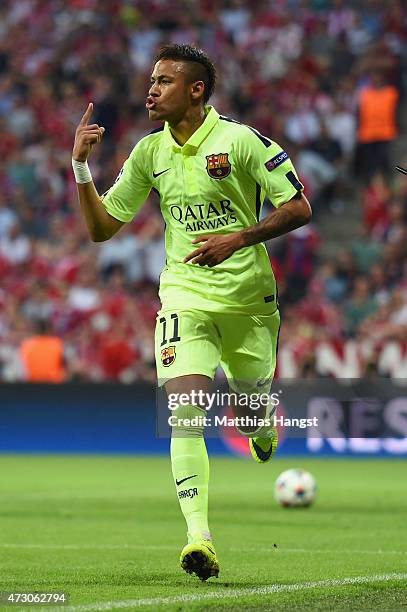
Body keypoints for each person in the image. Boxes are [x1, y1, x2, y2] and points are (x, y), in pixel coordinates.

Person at [72, 44, 311, 581]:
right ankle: (198, 537)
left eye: (164, 81)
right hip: (184, 295)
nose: (151, 90)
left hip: (249, 299)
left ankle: (260, 423)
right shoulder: (148, 152)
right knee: (185, 414)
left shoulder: (241, 141)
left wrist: (239, 238)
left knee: (250, 405)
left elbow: (299, 206)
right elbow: (100, 229)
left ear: (196, 90)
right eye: (151, 80)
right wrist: (80, 167)